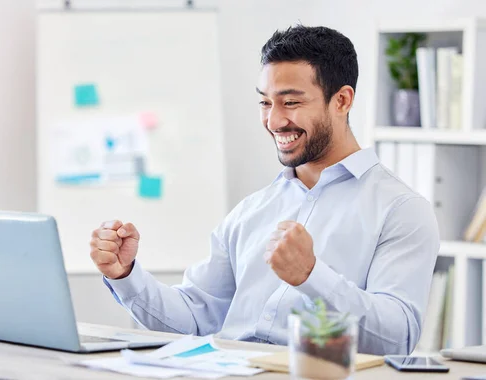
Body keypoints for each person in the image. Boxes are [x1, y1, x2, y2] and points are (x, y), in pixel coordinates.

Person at [89, 25, 439, 355]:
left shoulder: (401, 209)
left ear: (342, 101)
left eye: (291, 102)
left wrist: (311, 276)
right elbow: (194, 319)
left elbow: (398, 338)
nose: (273, 121)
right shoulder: (252, 210)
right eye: (265, 102)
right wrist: (126, 274)